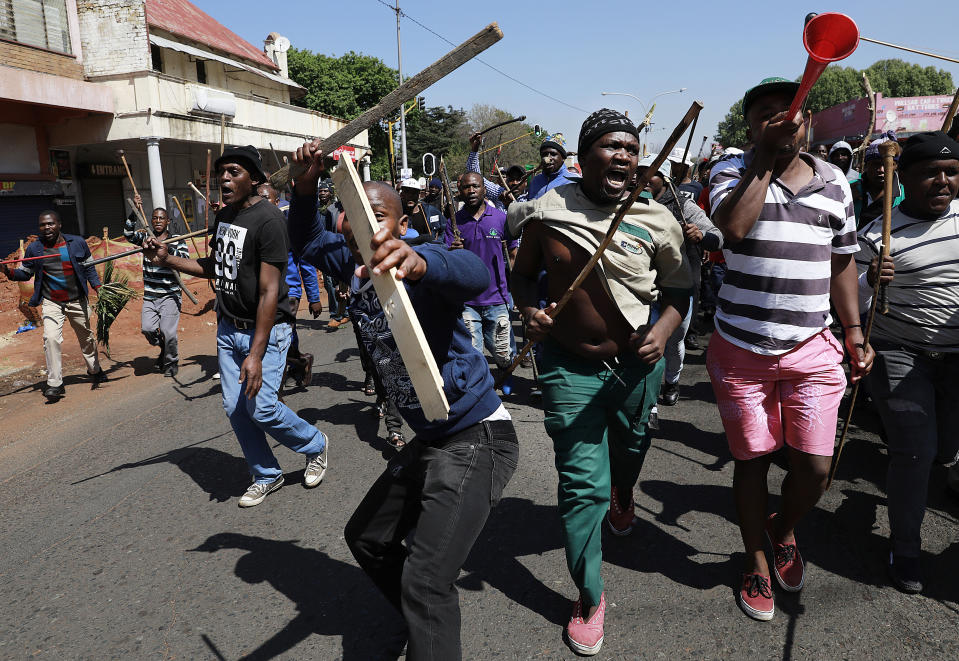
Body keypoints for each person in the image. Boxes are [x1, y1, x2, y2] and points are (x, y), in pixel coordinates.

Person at [289, 140, 518, 661]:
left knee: (427, 578)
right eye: (352, 213)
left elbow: (472, 272)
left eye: (379, 214)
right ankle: (421, 626)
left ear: (402, 221)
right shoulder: (348, 260)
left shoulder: (418, 257)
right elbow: (303, 237)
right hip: (431, 439)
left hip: (478, 437)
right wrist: (303, 186)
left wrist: (418, 263)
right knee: (367, 538)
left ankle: (425, 619)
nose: (364, 223)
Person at [509, 108, 691, 656]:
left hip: (638, 367)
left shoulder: (656, 217)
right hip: (568, 368)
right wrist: (529, 311)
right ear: (582, 158)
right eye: (611, 147)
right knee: (581, 486)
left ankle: (624, 491)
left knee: (631, 451)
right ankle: (589, 597)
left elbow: (681, 289)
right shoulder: (546, 211)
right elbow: (522, 277)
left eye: (631, 150)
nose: (623, 157)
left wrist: (662, 331)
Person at [707, 77, 873, 622]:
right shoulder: (731, 171)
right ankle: (756, 559)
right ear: (751, 127)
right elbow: (731, 230)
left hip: (813, 346)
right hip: (740, 348)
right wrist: (763, 159)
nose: (782, 120)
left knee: (817, 469)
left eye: (793, 112)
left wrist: (853, 333)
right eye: (767, 115)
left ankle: (781, 531)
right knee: (751, 462)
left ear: (809, 123)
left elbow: (842, 261)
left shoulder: (835, 182)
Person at [143, 145, 329, 508]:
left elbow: (269, 291)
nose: (224, 179)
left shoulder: (271, 220)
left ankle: (316, 444)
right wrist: (168, 259)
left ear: (254, 179)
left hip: (267, 331)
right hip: (228, 331)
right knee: (234, 408)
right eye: (222, 172)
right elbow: (215, 266)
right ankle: (266, 474)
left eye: (234, 172)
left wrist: (256, 355)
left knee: (262, 408)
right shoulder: (225, 216)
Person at [855, 131, 959, 593]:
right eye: (930, 174)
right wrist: (869, 278)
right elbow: (848, 299)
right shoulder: (879, 235)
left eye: (952, 172)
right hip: (899, 352)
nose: (942, 182)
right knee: (914, 451)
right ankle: (906, 546)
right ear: (905, 179)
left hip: (956, 357)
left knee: (944, 450)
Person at [635, 154, 722, 407]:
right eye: (640, 172)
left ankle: (671, 381)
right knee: (644, 341)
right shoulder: (630, 202)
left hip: (680, 288)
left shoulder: (684, 206)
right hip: (645, 288)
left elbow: (718, 238)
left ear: (664, 177)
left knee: (673, 343)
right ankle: (646, 399)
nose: (643, 178)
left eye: (650, 173)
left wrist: (700, 234)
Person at [2, 210, 106, 400]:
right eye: (42, 225)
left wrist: (98, 287)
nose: (46, 227)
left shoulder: (77, 243)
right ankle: (55, 384)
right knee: (50, 339)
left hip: (77, 300)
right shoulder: (35, 249)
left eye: (50, 224)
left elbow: (89, 267)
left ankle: (94, 369)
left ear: (59, 224)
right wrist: (7, 271)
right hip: (52, 302)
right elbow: (25, 273)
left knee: (87, 339)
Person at [446, 172, 519, 392]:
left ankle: (505, 374)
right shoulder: (454, 222)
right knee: (473, 353)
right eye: (466, 187)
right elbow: (447, 258)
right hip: (467, 300)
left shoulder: (500, 218)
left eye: (475, 186)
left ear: (484, 189)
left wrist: (518, 290)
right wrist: (452, 251)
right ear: (460, 191)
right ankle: (481, 390)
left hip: (497, 297)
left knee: (503, 352)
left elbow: (513, 253)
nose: (471, 191)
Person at [257, 182, 322, 387]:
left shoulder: (289, 227)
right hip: (262, 292)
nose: (261, 203)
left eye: (265, 198)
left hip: (288, 293)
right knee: (276, 335)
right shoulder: (254, 226)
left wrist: (314, 298)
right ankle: (300, 361)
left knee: (280, 335)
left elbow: (306, 263)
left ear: (277, 201)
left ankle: (276, 384)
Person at [123, 195, 190, 377]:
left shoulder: (176, 239)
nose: (158, 221)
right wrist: (134, 212)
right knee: (148, 329)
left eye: (161, 218)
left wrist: (166, 250)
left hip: (170, 294)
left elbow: (184, 260)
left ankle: (171, 361)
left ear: (167, 221)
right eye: (155, 218)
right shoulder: (145, 237)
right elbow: (128, 234)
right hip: (150, 295)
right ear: (151, 221)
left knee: (169, 332)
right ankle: (164, 347)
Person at [852, 132, 905, 228]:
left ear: (895, 166)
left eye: (886, 164)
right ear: (866, 165)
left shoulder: (905, 195)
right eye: (875, 164)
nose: (881, 170)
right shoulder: (850, 189)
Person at [466, 132, 529, 209]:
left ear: (525, 182)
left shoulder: (532, 197)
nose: (514, 183)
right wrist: (475, 148)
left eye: (519, 179)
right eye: (511, 179)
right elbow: (475, 176)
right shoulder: (499, 193)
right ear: (506, 181)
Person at [317, 181, 349, 329]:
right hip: (332, 250)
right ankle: (335, 314)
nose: (322, 193)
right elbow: (328, 232)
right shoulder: (331, 210)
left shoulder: (355, 208)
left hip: (350, 251)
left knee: (348, 282)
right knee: (331, 283)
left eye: (326, 190)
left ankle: (346, 312)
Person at [528, 133, 579, 200]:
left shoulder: (574, 181)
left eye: (553, 154)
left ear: (563, 158)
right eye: (544, 154)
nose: (548, 158)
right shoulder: (535, 181)